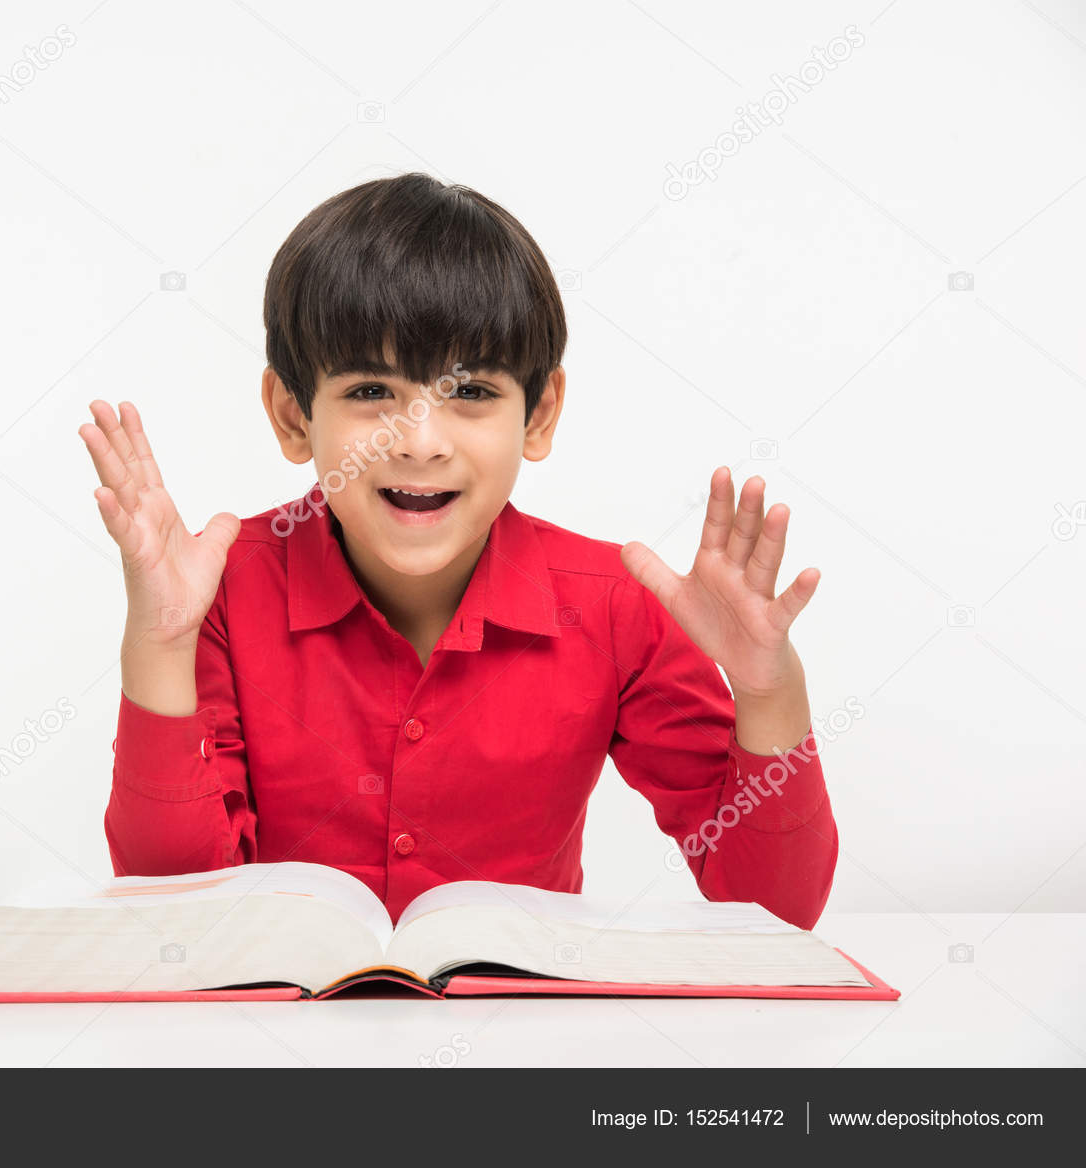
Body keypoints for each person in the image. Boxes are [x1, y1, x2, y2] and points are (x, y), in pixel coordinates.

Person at [76, 172, 835, 929]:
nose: (421, 444)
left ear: (538, 417)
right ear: (293, 415)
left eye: (470, 393)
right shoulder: (220, 589)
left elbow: (773, 911)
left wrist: (767, 690)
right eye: (372, 391)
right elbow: (171, 911)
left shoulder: (617, 604)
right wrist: (160, 646)